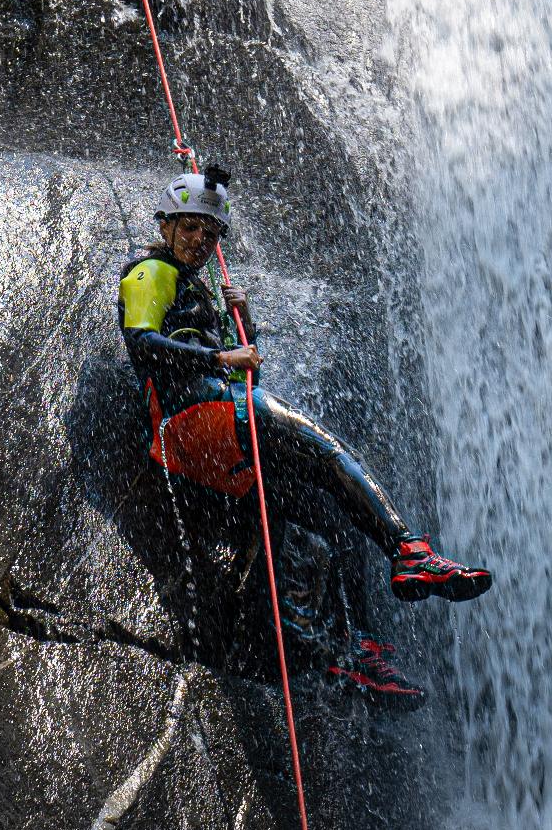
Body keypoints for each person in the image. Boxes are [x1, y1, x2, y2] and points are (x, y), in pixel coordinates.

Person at [117, 166, 492, 705]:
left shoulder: (204, 293)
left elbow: (249, 380)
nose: (201, 240)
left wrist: (242, 326)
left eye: (211, 232)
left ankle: (352, 653)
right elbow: (142, 346)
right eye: (191, 227)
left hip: (216, 429)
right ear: (168, 224)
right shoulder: (150, 272)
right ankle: (409, 549)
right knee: (322, 448)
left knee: (325, 515)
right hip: (187, 416)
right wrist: (222, 353)